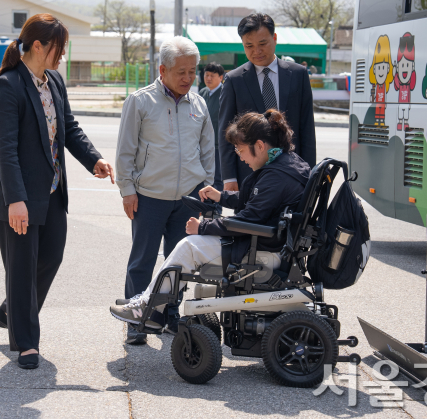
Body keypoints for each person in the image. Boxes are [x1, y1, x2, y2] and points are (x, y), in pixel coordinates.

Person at [0, 14, 114, 369]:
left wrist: (94, 160)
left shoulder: (54, 81)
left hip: (53, 191)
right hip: (19, 197)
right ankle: (26, 343)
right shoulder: (8, 87)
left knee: (51, 258)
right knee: (22, 267)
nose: (62, 56)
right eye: (59, 49)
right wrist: (15, 199)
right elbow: (5, 150)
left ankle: (11, 310)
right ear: (39, 46)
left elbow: (68, 128)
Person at [110, 110, 310, 328]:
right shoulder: (288, 162)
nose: (240, 157)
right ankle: (151, 304)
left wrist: (202, 227)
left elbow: (249, 219)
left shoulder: (276, 177)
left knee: (188, 246)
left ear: (260, 146)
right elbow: (258, 202)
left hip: (263, 248)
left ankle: (149, 309)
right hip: (272, 243)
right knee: (189, 246)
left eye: (241, 150)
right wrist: (221, 196)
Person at [115, 36, 215, 345]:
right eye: (180, 72)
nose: (188, 78)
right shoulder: (140, 101)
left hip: (187, 199)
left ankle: (170, 316)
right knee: (142, 260)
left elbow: (208, 150)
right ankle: (136, 322)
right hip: (149, 196)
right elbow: (125, 151)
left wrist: (206, 188)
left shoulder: (199, 103)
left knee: (178, 264)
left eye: (192, 71)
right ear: (163, 70)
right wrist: (127, 190)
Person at [219, 13, 316, 192]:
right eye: (249, 46)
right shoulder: (234, 80)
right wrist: (229, 177)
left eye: (262, 44)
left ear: (275, 38)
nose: (257, 51)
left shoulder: (298, 75)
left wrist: (310, 174)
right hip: (249, 175)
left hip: (292, 173)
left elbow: (307, 128)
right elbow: (226, 132)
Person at [197, 62, 226, 201]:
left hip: (218, 144)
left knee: (217, 178)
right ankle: (206, 207)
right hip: (202, 143)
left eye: (212, 75)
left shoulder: (225, 94)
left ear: (221, 77)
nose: (208, 78)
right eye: (206, 75)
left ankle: (215, 209)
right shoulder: (202, 92)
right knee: (203, 176)